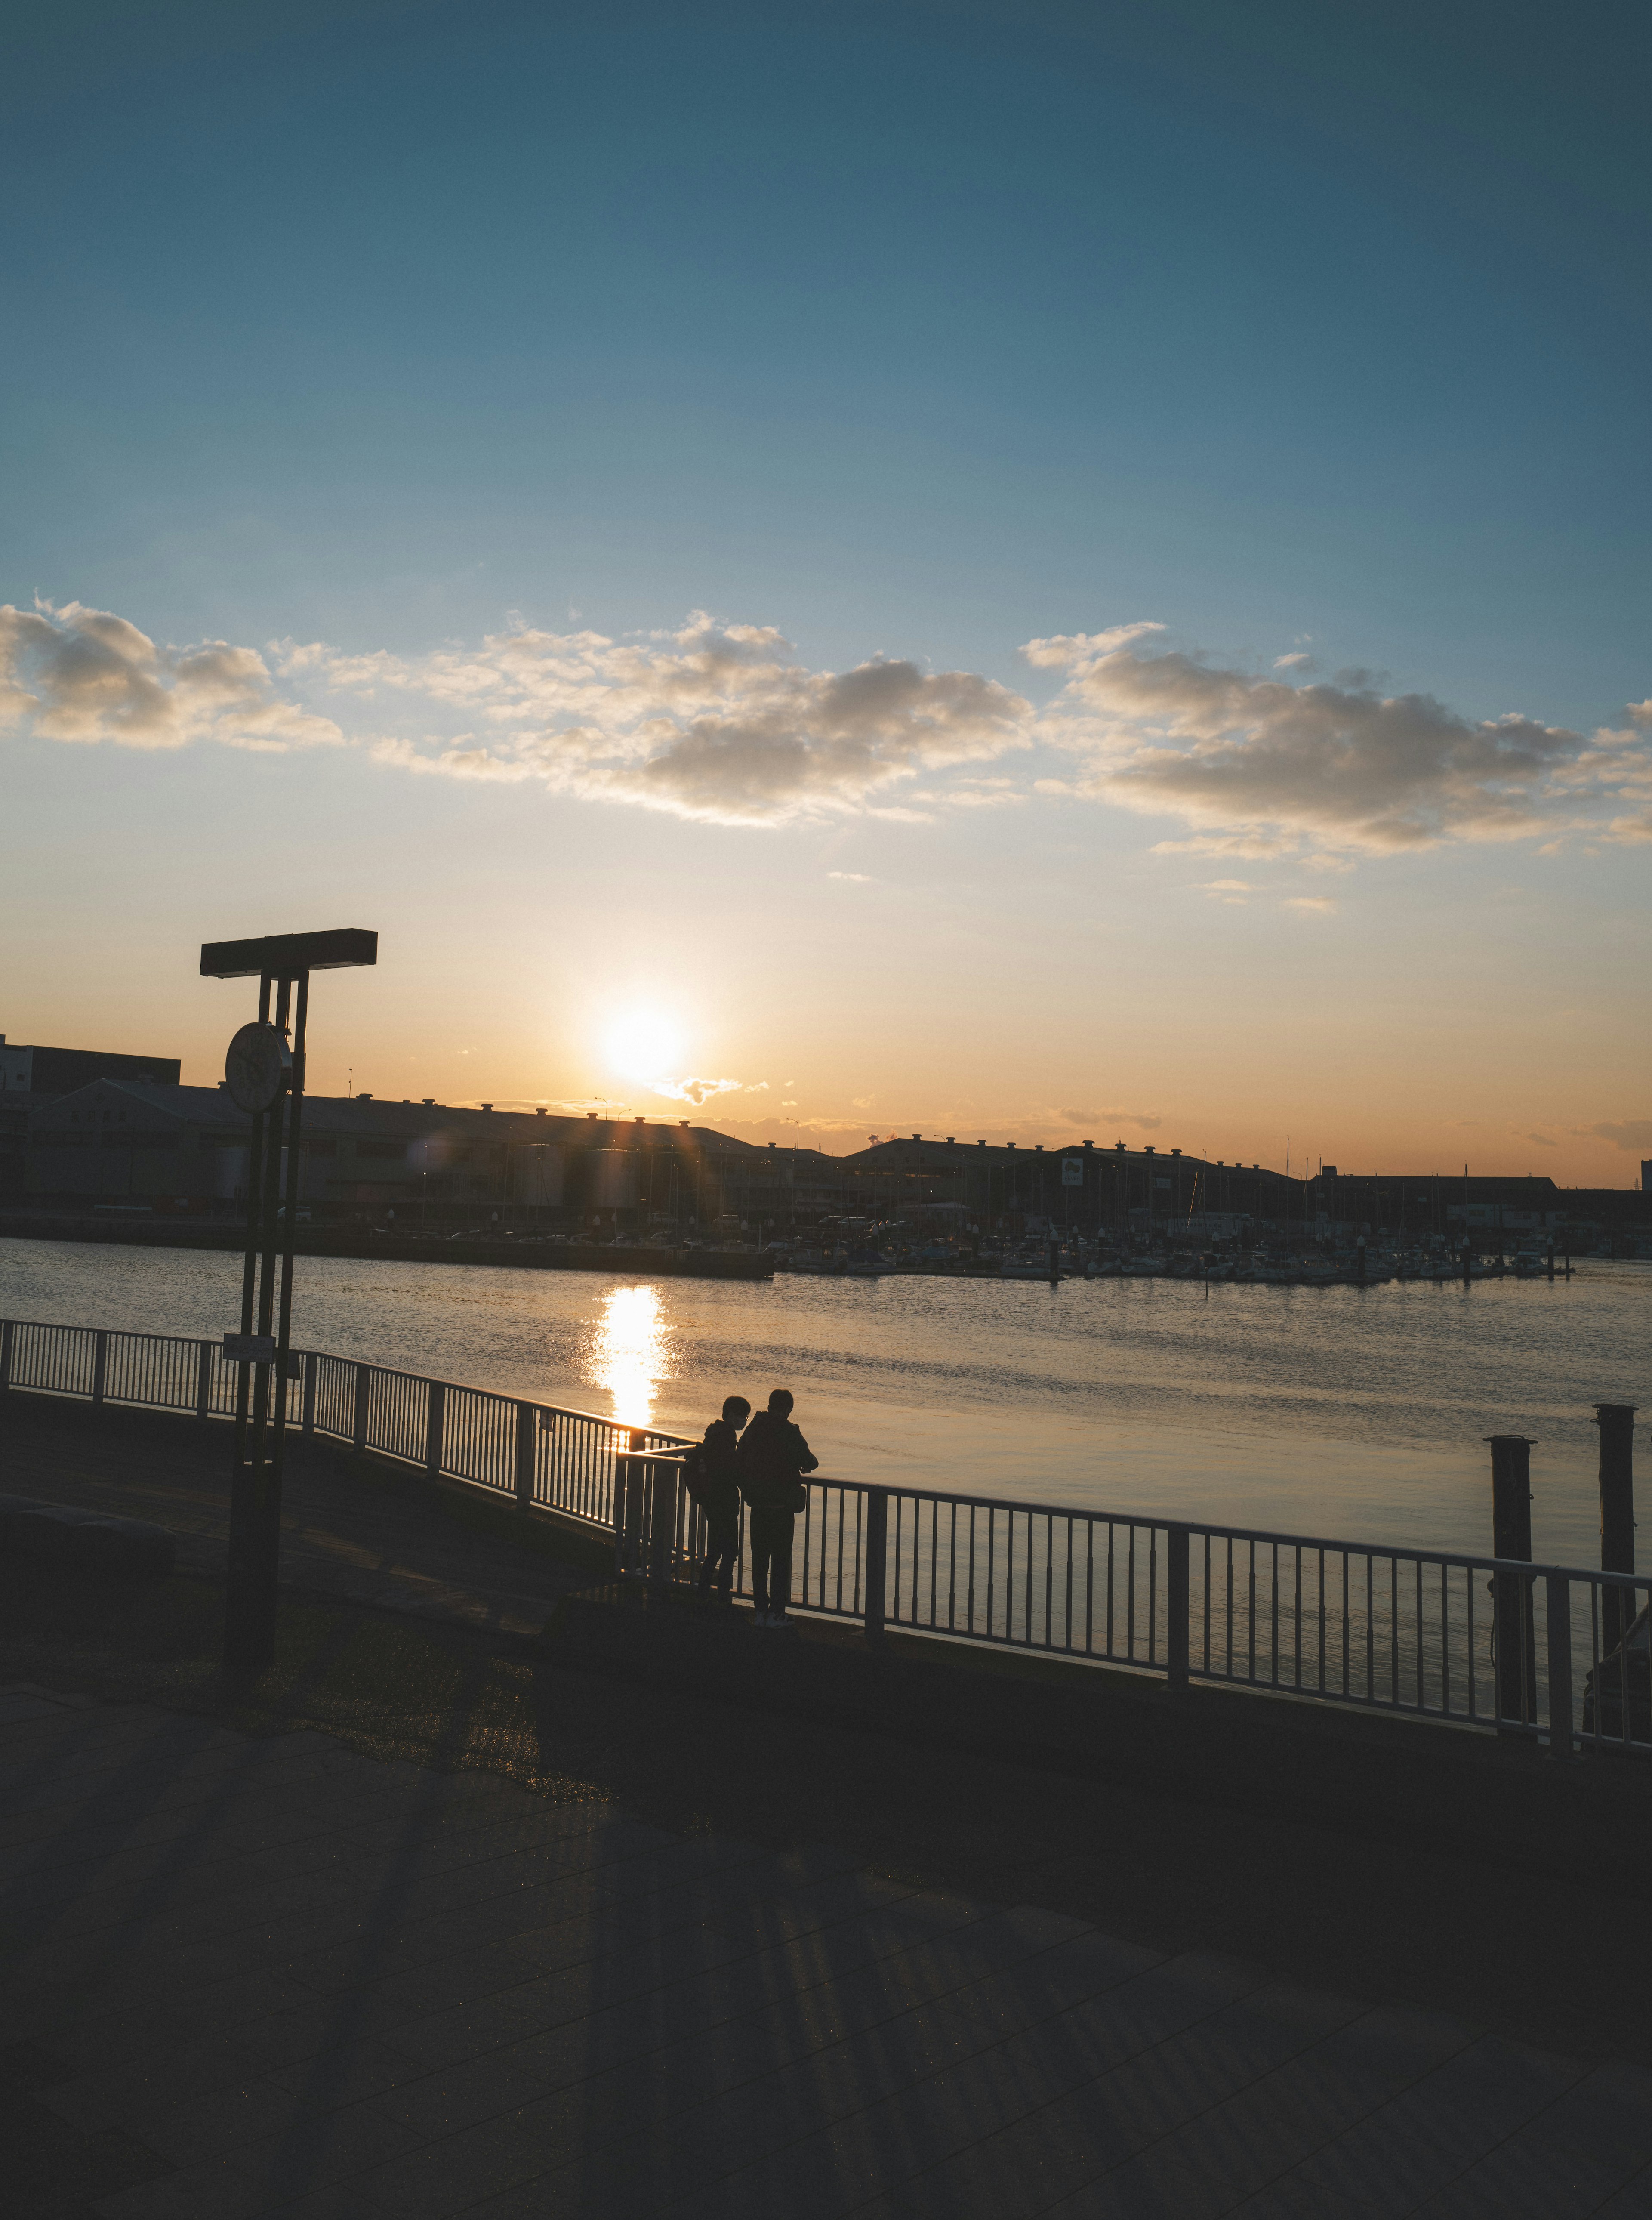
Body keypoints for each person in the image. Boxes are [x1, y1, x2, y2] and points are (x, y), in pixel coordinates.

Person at [737, 1388, 818, 1627]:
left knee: (760, 1561)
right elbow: (809, 1462)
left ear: (769, 1405)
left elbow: (740, 1459)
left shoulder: (754, 1429)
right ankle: (777, 1614)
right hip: (782, 1507)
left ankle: (760, 1612)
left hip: (759, 1506)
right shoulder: (790, 1433)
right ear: (788, 1409)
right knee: (781, 1562)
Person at [688, 1395, 749, 1603]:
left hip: (713, 1501)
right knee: (730, 1551)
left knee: (715, 1550)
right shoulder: (726, 1437)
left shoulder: (714, 1434)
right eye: (742, 1417)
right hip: (724, 1501)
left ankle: (703, 1595)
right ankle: (723, 1598)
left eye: (746, 1418)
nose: (744, 1421)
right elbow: (727, 1470)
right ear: (731, 1416)